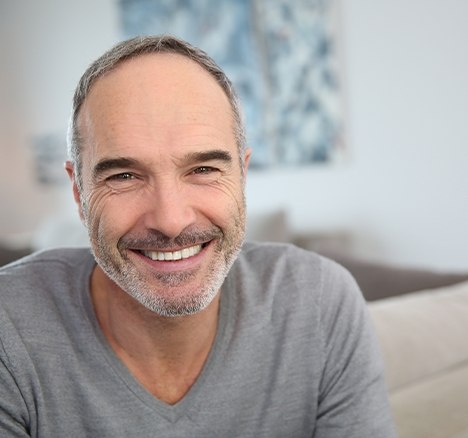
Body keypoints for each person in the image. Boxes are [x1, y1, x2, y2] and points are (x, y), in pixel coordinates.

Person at [0, 35, 395, 437]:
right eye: (124, 175)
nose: (171, 221)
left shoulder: (319, 303)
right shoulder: (9, 328)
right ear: (78, 193)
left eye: (203, 169)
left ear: (241, 175)